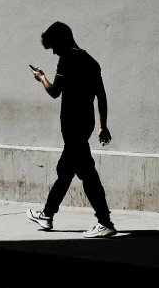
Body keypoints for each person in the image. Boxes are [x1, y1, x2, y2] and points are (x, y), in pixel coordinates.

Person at [26, 21, 117, 238]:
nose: (54, 52)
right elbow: (101, 96)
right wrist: (103, 126)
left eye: (54, 46)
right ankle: (47, 214)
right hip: (85, 125)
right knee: (65, 171)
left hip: (73, 127)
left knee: (88, 175)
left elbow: (54, 92)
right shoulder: (91, 62)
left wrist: (42, 78)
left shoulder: (67, 60)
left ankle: (105, 222)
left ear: (61, 41)